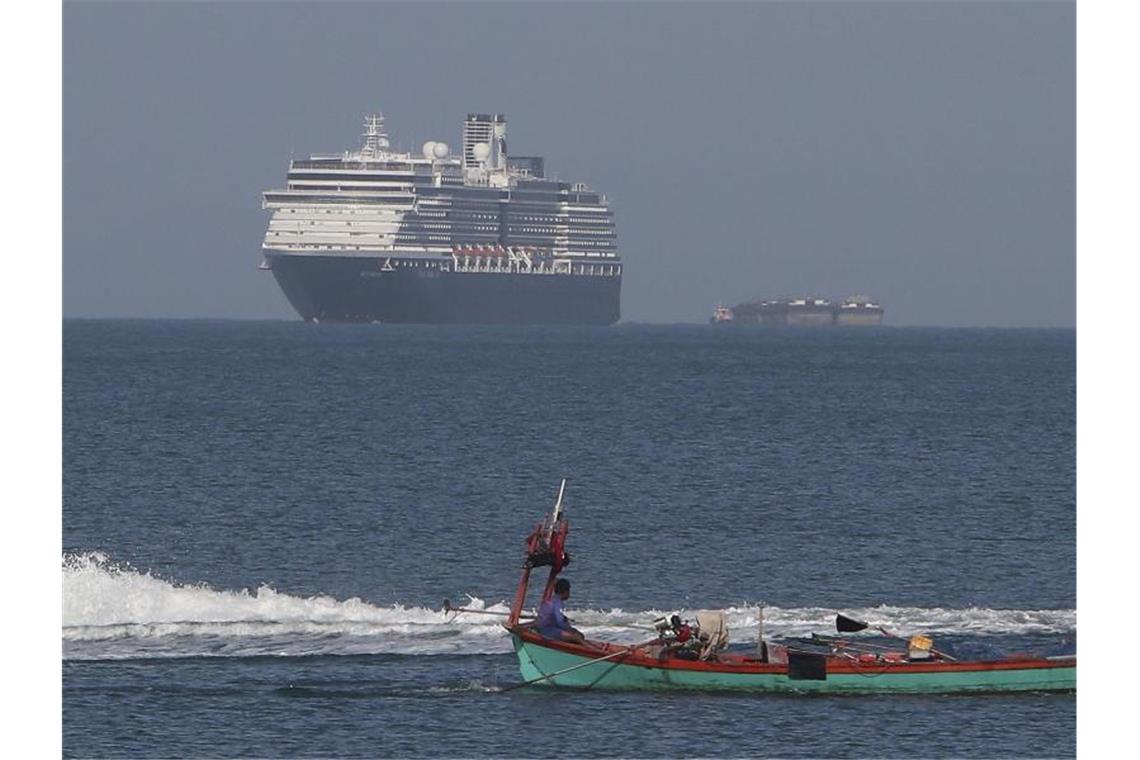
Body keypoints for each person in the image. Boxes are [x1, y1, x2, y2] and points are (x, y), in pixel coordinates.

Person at [536, 578, 586, 644]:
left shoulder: (552, 600)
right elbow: (560, 622)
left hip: (544, 628)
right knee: (578, 637)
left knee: (575, 633)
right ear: (565, 591)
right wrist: (570, 629)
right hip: (549, 631)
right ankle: (593, 651)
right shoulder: (558, 603)